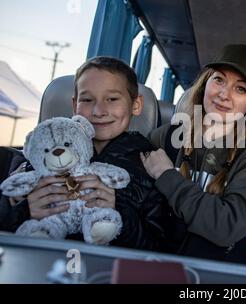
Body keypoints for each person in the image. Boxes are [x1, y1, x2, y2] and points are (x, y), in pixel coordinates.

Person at [0, 57, 165, 250]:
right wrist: (24, 211)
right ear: (74, 105)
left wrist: (117, 211)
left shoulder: (150, 165)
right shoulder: (39, 159)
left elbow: (160, 244)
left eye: (112, 99)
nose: (98, 111)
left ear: (136, 105)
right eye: (87, 100)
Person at [141, 44, 246, 266]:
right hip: (163, 257)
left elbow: (227, 227)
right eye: (219, 80)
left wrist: (167, 175)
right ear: (206, 84)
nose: (224, 94)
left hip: (223, 269)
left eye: (240, 89)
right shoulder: (166, 137)